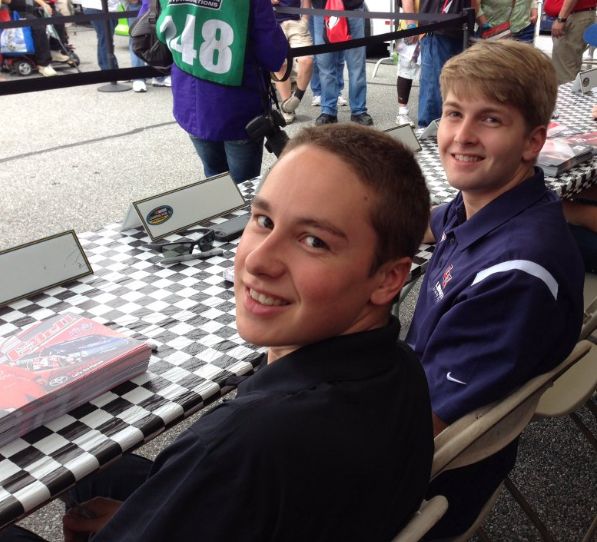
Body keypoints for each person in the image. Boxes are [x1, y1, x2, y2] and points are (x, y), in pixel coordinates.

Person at [0, 124, 434, 542]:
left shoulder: (242, 445)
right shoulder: (403, 366)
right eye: (262, 220)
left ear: (387, 279)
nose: (258, 261)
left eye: (314, 241)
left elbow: (237, 466)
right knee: (90, 468)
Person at [405, 40, 584, 539]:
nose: (460, 137)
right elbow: (431, 223)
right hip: (408, 391)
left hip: (426, 490)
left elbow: (418, 432)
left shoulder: (515, 278)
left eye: (490, 120)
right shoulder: (490, 200)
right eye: (453, 113)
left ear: (532, 142)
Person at [147, 0, 287, 183]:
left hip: (189, 100)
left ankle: (221, 208)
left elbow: (151, 25)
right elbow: (273, 55)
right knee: (244, 186)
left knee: (215, 178)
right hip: (238, 107)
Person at [311, 0, 373, 125]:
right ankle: (328, 110)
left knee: (356, 66)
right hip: (321, 10)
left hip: (352, 9)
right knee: (325, 65)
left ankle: (358, 110)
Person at [417, 0, 468, 127]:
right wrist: (411, 24)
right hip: (437, 29)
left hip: (460, 28)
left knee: (456, 87)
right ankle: (428, 131)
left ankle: (448, 128)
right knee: (434, 88)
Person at [2, 0, 70, 76]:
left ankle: (54, 50)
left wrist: (44, 4)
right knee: (38, 26)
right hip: (16, 13)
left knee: (58, 17)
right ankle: (43, 64)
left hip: (31, 9)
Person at [272, 0, 314, 124]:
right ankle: (287, 108)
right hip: (272, 22)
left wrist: (305, 20)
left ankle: (296, 98)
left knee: (307, 60)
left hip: (295, 21)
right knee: (279, 64)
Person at [544, 0, 596, 83]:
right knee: (567, 64)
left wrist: (561, 19)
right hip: (574, 14)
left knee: (565, 70)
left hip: (573, 15)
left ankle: (566, 93)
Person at [395, 0, 420, 126]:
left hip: (431, 29)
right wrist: (412, 25)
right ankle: (402, 113)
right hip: (411, 27)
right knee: (406, 71)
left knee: (429, 74)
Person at [80, 0, 119, 70]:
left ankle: (107, 66)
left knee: (105, 38)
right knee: (106, 39)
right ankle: (108, 68)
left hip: (104, 7)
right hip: (98, 7)